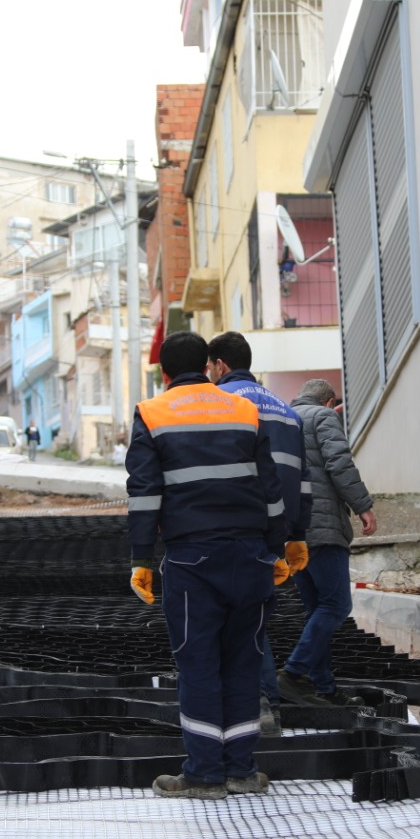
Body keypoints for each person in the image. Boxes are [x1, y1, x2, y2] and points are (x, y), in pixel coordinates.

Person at [125, 330, 291, 800]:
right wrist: (277, 548)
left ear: (164, 372)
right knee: (243, 660)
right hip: (251, 555)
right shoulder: (243, 410)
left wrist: (141, 558)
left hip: (192, 558)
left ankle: (203, 774)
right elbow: (270, 487)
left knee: (198, 662)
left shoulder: (152, 414)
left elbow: (145, 495)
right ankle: (241, 770)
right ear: (209, 365)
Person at [206, 330, 312, 734]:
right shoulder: (287, 410)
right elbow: (303, 478)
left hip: (241, 521)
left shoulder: (226, 403)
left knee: (239, 618)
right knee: (255, 614)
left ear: (221, 365)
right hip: (280, 525)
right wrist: (296, 532)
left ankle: (261, 703)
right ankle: (268, 704)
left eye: (210, 368)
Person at [281, 379, 376, 706]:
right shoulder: (324, 417)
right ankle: (293, 674)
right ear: (329, 401)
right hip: (322, 528)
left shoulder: (281, 417)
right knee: (336, 604)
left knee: (315, 609)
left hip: (291, 532)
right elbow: (339, 463)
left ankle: (322, 687)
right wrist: (363, 505)